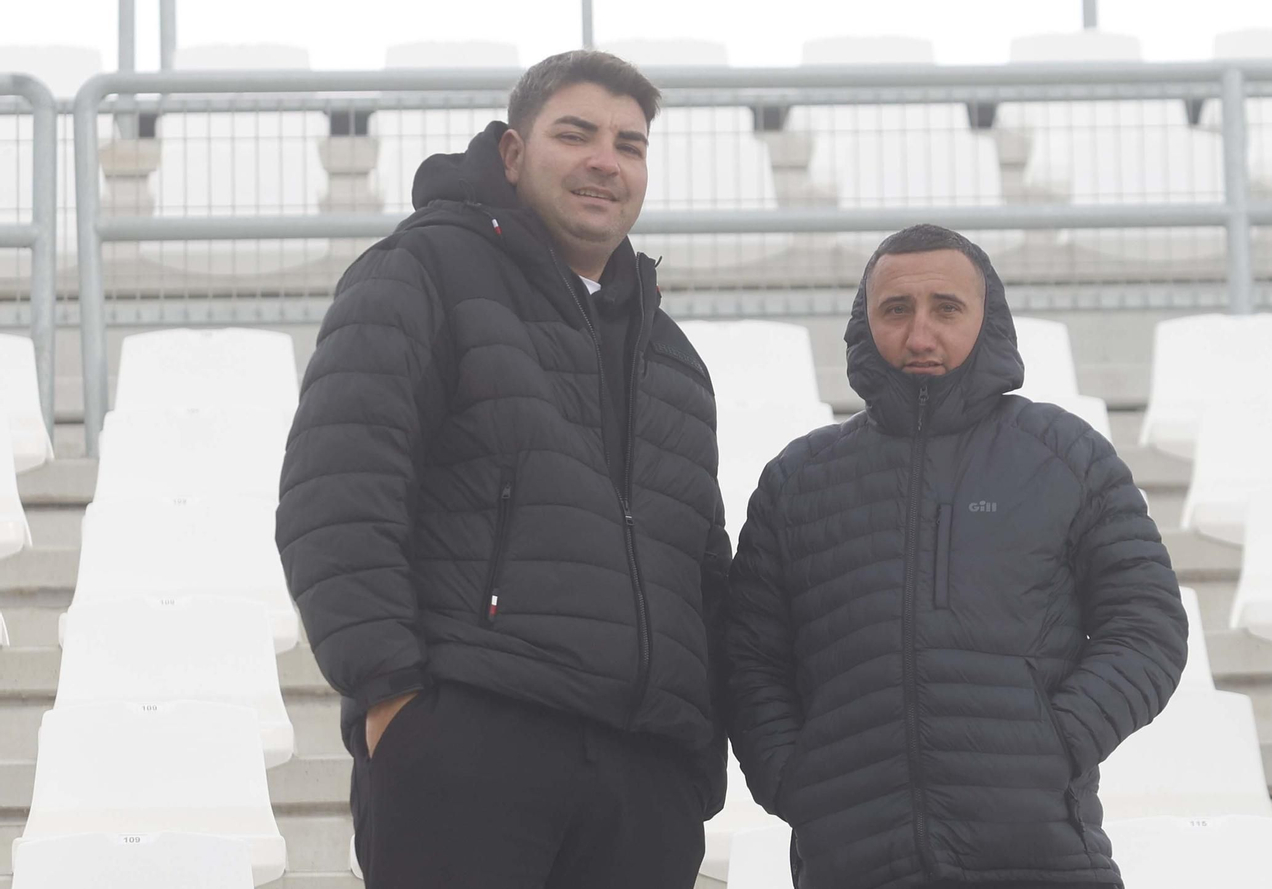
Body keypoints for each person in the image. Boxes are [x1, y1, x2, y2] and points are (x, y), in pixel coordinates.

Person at [276, 50, 729, 889]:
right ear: (513, 153)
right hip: (470, 745)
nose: (606, 160)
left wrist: (694, 759)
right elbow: (337, 494)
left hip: (644, 779)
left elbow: (698, 563)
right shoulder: (421, 272)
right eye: (576, 134)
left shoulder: (670, 356)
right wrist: (395, 704)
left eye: (629, 144)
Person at [723, 224, 1188, 889]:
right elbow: (750, 660)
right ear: (863, 324)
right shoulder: (797, 481)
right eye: (896, 309)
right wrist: (795, 777)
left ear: (985, 319)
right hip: (855, 863)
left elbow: (1147, 627)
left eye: (946, 308)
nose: (920, 335)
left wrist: (1055, 740)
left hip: (1042, 857)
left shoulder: (1066, 454)